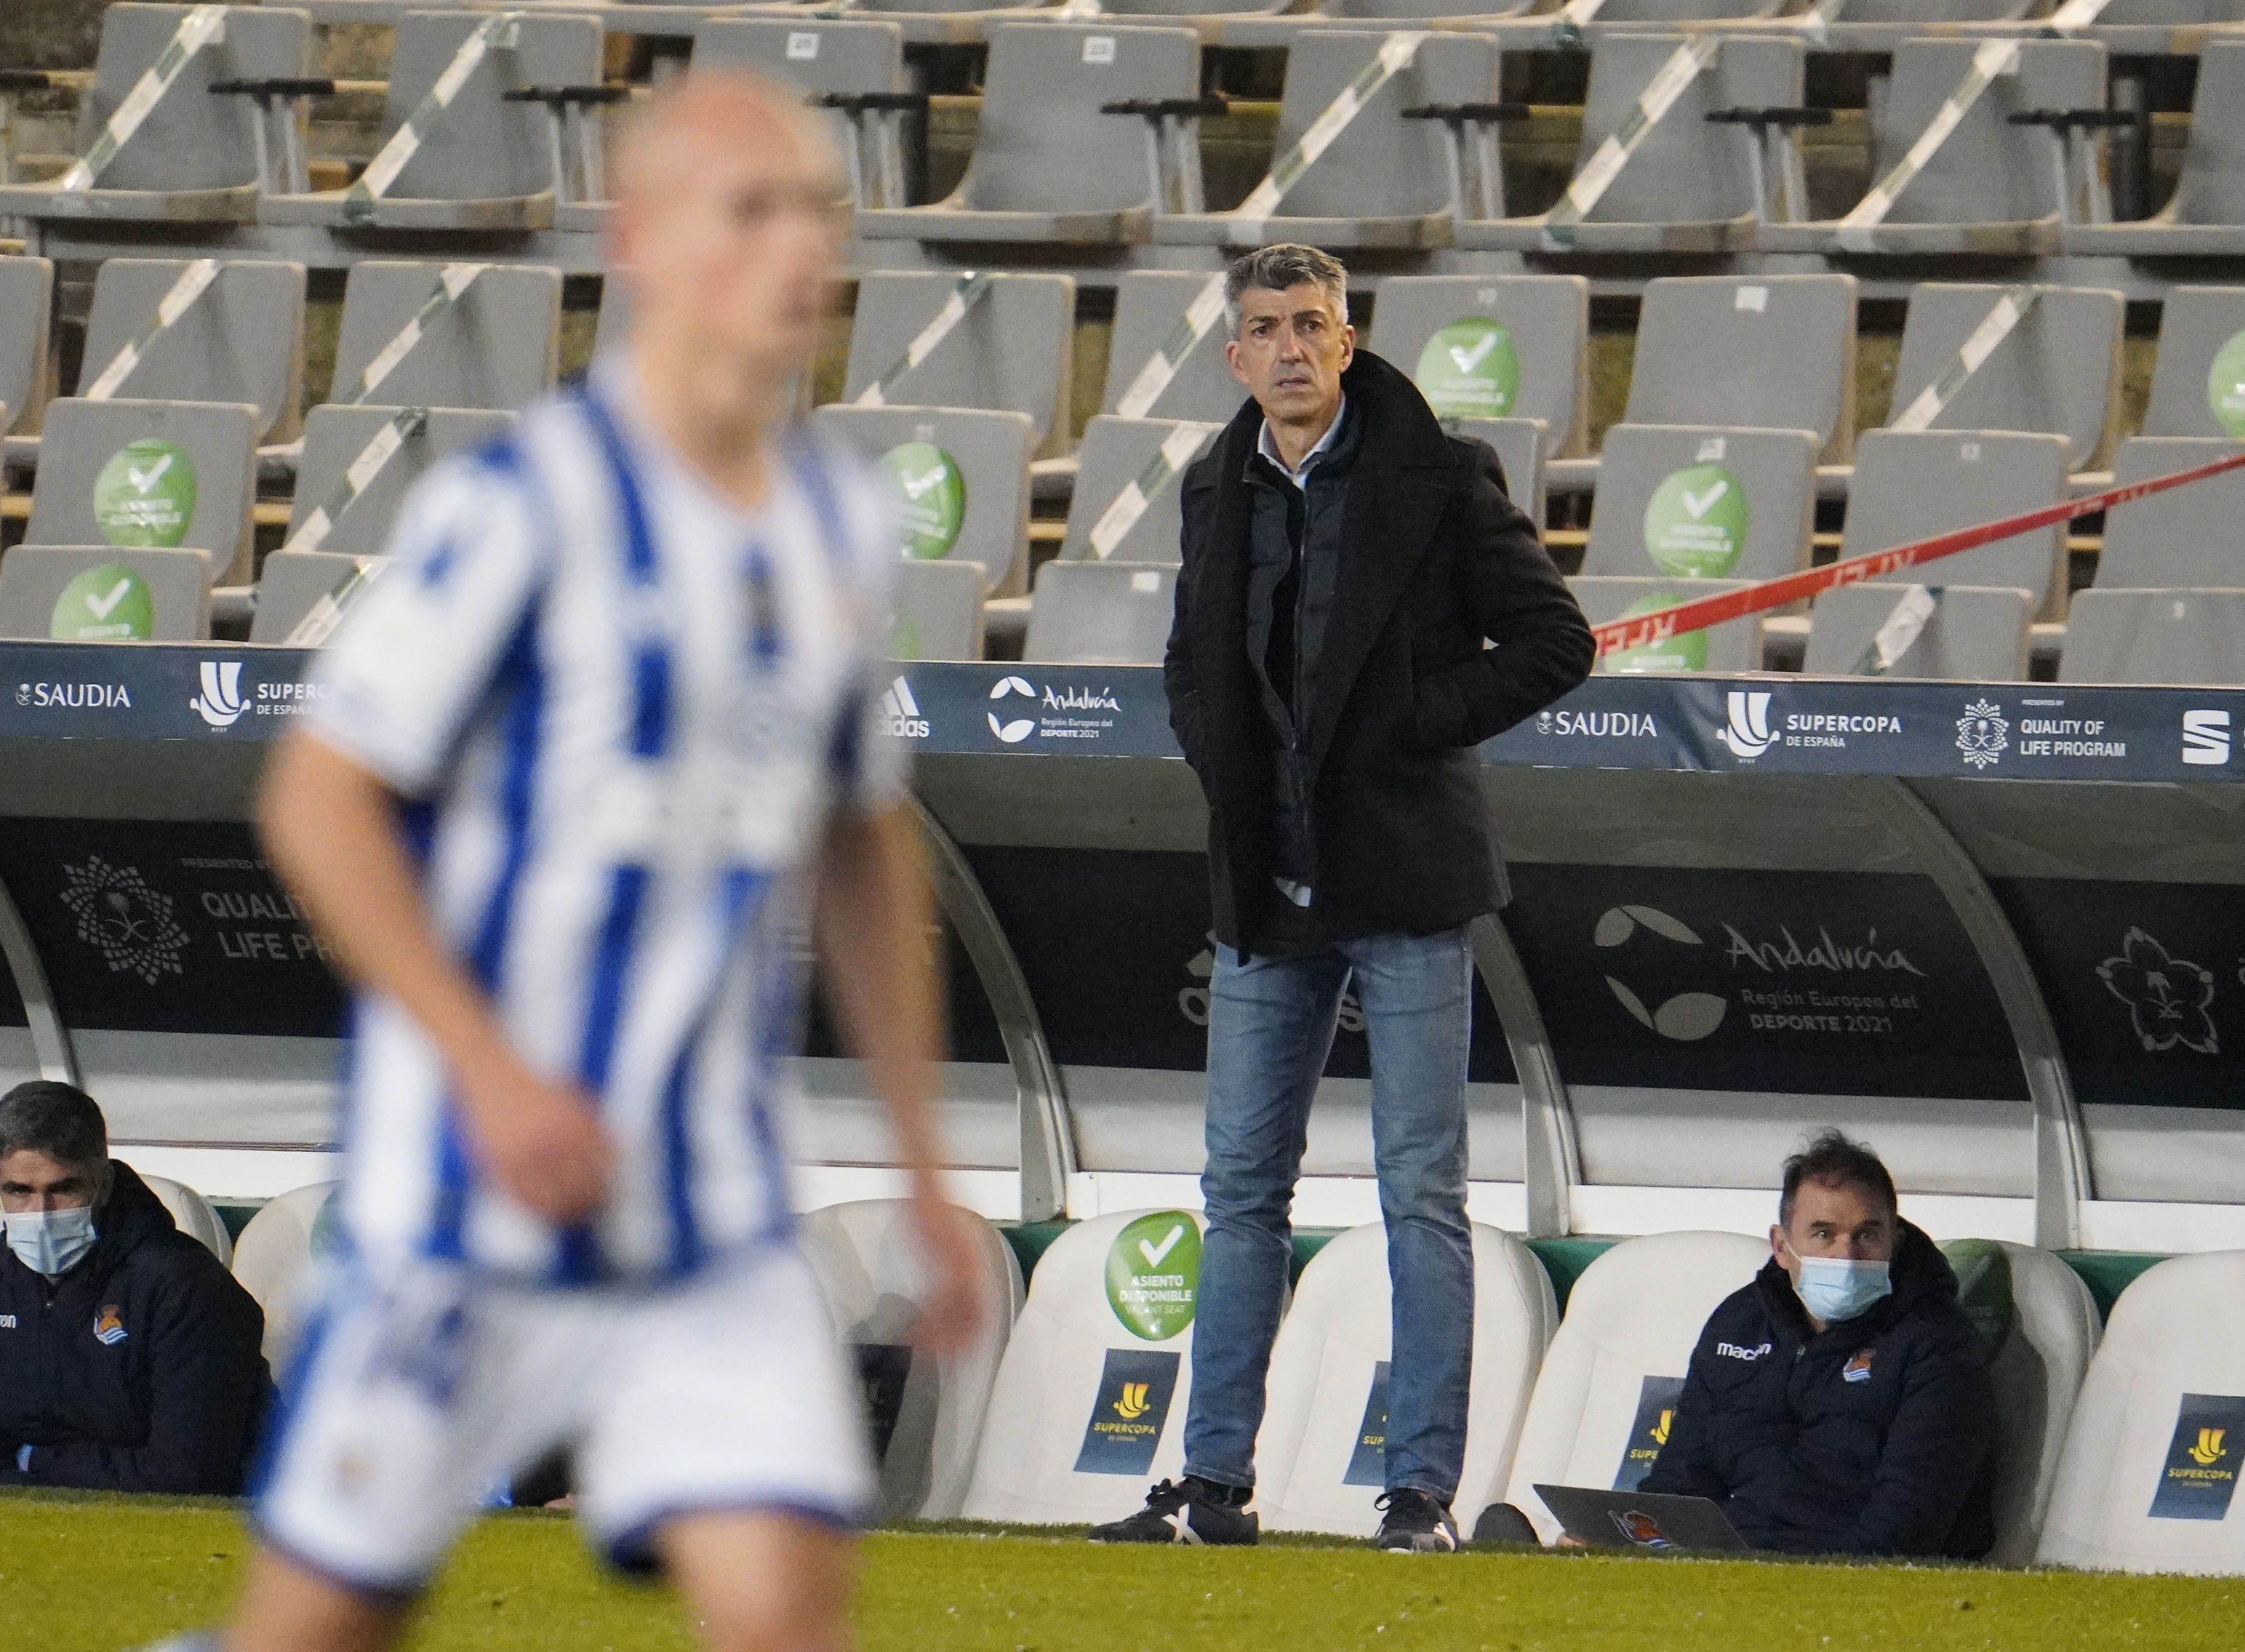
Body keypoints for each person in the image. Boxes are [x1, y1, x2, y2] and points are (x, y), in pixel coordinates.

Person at [173, 69, 984, 1652]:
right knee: (313, 1633)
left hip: (706, 1217)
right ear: (641, 242)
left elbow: (862, 838)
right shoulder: (525, 505)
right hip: (470, 1212)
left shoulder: (834, 522)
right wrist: (486, 1067)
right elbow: (318, 799)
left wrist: (925, 1162)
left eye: (815, 210)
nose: (796, 249)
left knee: (783, 1616)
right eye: (748, 209)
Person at [1094, 244, 1594, 1553]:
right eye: (1267, 329)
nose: (1294, 349)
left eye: (1313, 323)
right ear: (1236, 356)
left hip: (1408, 877)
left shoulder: (1438, 474)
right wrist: (1225, 767)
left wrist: (1411, 724)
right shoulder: (1214, 482)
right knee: (1240, 1188)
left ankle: (1419, 1493)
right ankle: (1213, 1487)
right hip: (1267, 880)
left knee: (1417, 1192)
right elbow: (1191, 661)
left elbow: (1557, 639)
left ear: (1351, 337)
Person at [1637, 1129, 1998, 1558]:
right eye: (1823, 1234)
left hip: (1853, 1581)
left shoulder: (1938, 1344)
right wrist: (1629, 1538)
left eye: (1866, 1235)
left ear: (1894, 1241)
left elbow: (1907, 1526)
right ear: (1781, 1247)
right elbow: (1680, 1476)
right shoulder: (1739, 1323)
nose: (1845, 1257)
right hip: (1729, 1564)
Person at [0, 1080, 270, 1494]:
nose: (40, 1214)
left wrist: (32, 1459)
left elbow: (189, 1471)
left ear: (104, 1183)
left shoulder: (185, 1287)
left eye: (64, 1189)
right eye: (19, 1191)